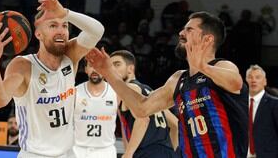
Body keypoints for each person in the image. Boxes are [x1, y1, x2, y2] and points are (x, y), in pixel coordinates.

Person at [86, 11, 249, 157]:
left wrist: (203, 66)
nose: (181, 33)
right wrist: (108, 72)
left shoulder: (223, 66)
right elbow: (142, 108)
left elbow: (235, 83)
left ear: (207, 39)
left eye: (189, 30)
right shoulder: (178, 79)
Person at [0, 0, 104, 157]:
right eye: (53, 26)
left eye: (65, 26)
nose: (61, 31)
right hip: (35, 154)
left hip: (67, 153)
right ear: (38, 34)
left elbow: (97, 31)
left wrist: (66, 13)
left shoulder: (70, 55)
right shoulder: (23, 66)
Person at [110, 50, 179, 158]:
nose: (112, 69)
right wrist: (172, 151)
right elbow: (175, 125)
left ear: (130, 69)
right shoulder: (150, 92)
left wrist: (128, 153)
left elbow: (143, 120)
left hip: (146, 152)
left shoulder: (129, 88)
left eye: (117, 64)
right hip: (166, 151)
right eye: (110, 66)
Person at [73, 59, 119, 158]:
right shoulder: (75, 92)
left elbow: (124, 124)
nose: (95, 70)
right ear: (86, 69)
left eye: (99, 66)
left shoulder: (116, 93)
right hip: (78, 149)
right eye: (91, 66)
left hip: (105, 150)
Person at [245, 64, 278, 158]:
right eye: (250, 77)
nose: (253, 80)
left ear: (265, 81)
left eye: (257, 77)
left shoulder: (275, 104)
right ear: (246, 80)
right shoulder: (240, 104)